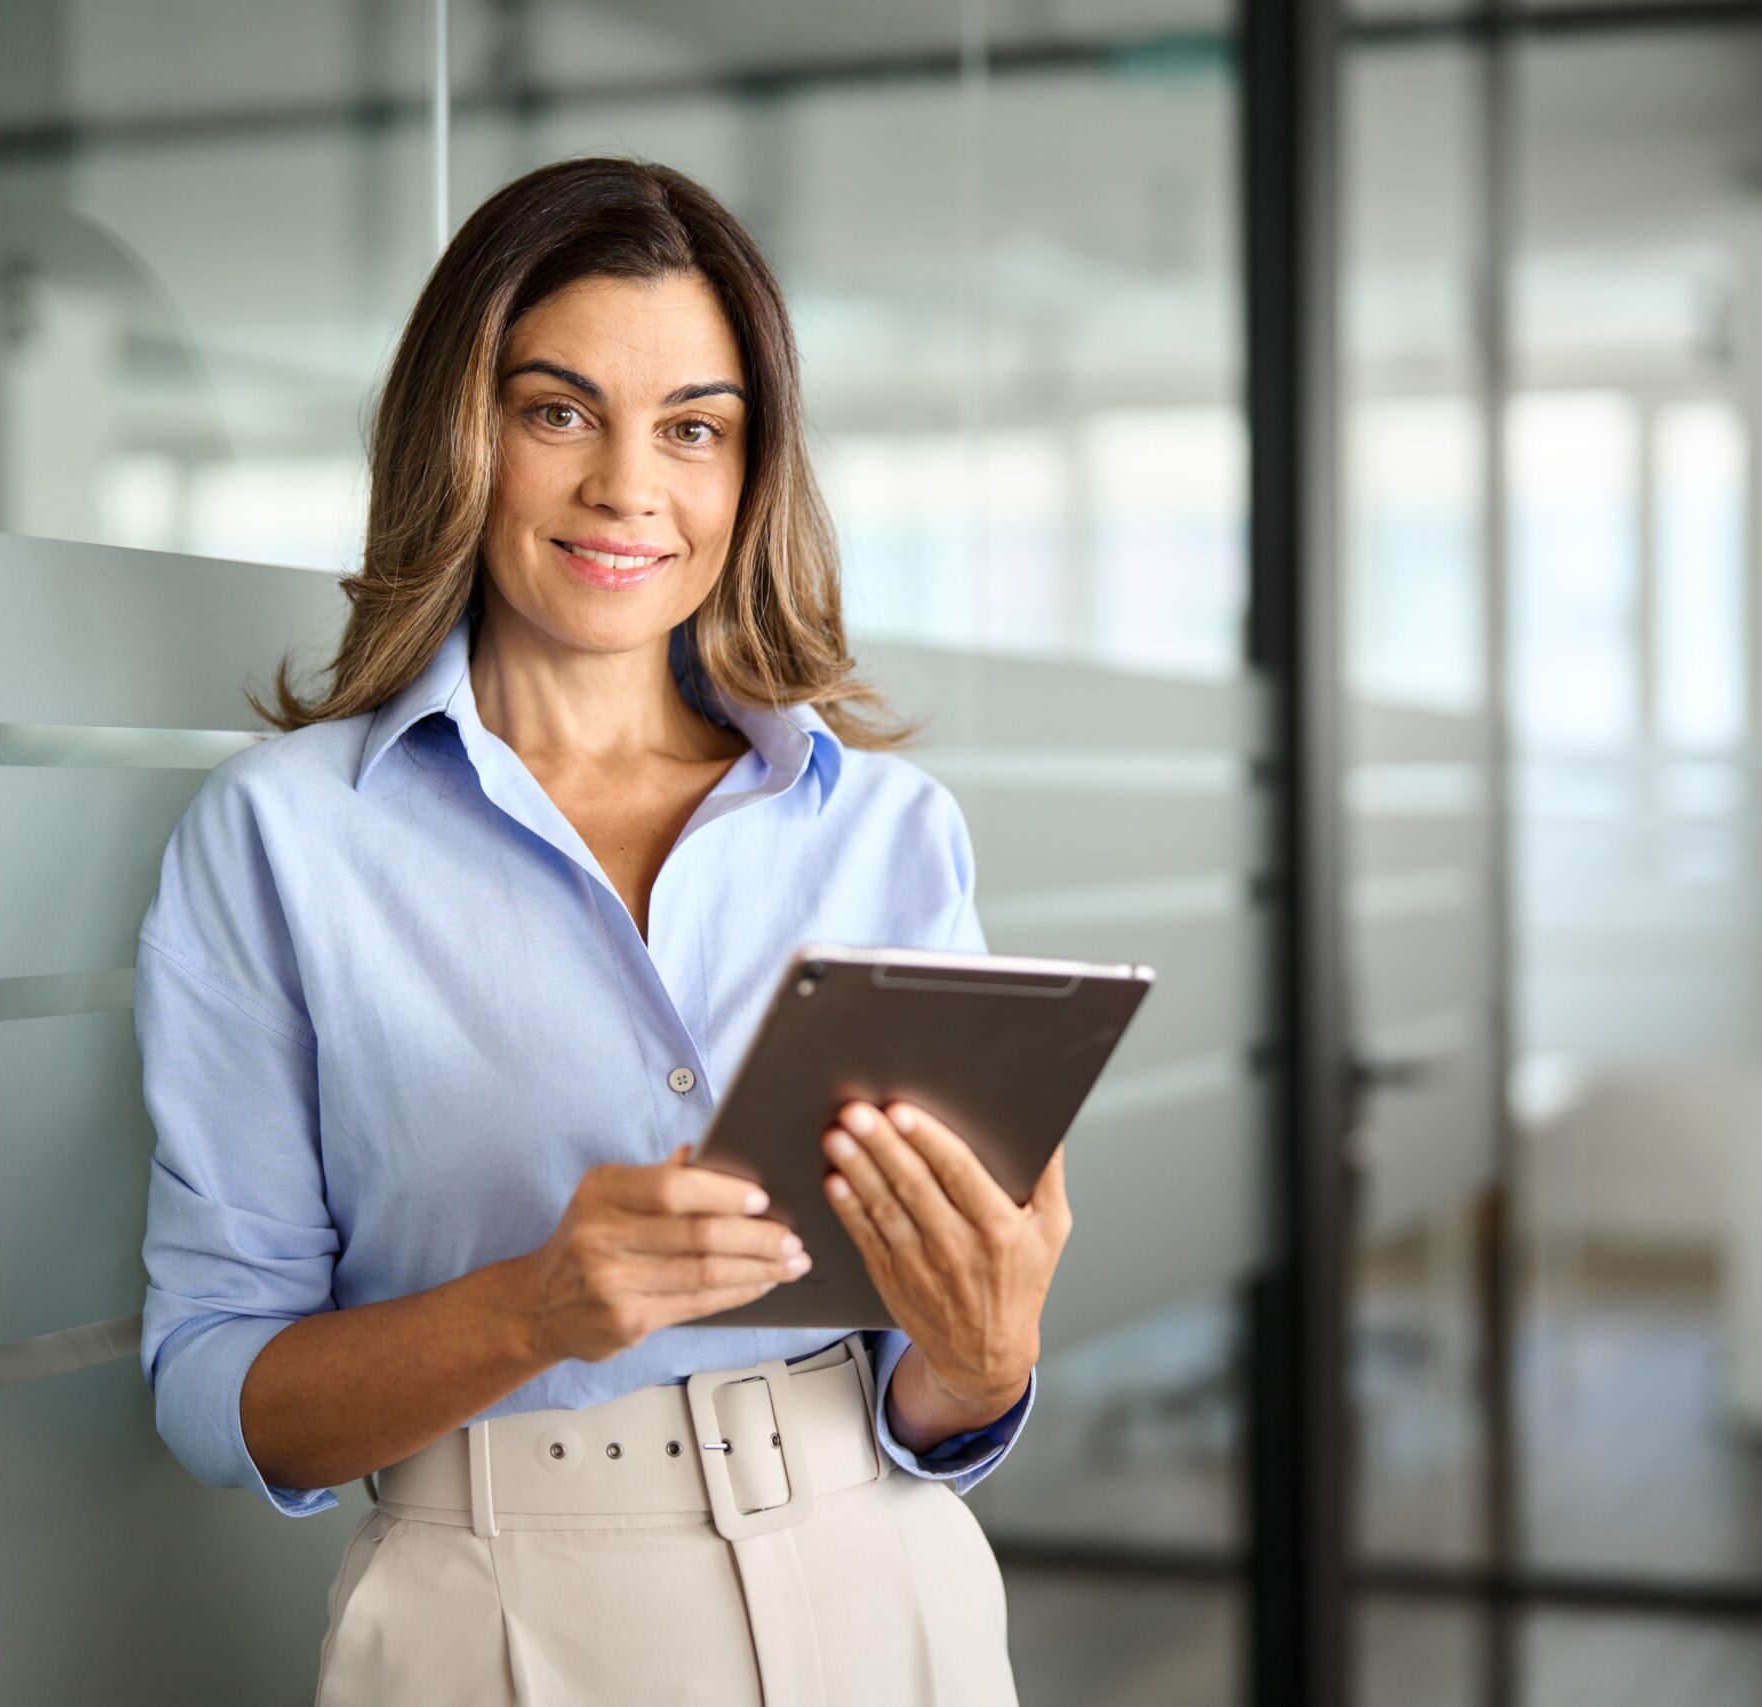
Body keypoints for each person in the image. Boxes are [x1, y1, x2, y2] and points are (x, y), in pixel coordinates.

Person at [132, 156, 1071, 1704]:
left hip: (883, 1582)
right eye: (559, 411)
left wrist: (985, 1351)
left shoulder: (889, 832)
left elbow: (942, 1384)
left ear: (748, 474)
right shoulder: (280, 839)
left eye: (694, 429)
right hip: (492, 1614)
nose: (630, 487)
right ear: (465, 433)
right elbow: (215, 1383)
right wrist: (531, 1308)